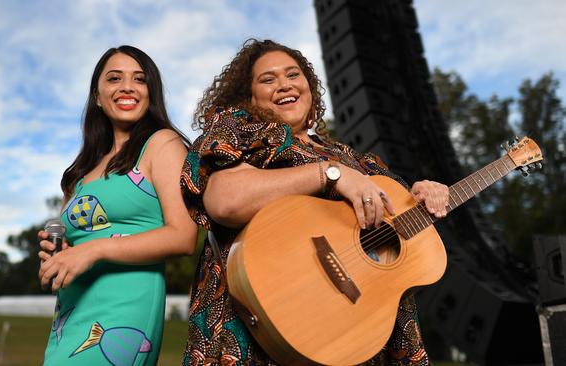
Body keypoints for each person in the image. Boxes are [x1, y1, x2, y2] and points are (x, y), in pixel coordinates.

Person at [180, 39, 450, 365]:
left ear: (309, 87)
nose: (284, 84)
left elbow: (400, 232)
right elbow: (226, 202)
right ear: (249, 96)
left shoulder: (356, 161)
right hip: (259, 322)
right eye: (268, 79)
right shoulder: (240, 129)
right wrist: (330, 175)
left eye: (293, 75)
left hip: (354, 333)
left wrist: (424, 195)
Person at [37, 45, 197, 366]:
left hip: (124, 309)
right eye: (114, 78)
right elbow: (79, 244)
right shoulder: (78, 174)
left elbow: (183, 236)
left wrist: (93, 250)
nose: (127, 86)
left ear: (150, 92)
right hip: (69, 316)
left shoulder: (161, 144)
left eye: (139, 79)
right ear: (97, 96)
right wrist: (63, 252)